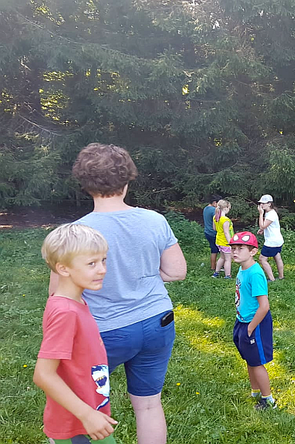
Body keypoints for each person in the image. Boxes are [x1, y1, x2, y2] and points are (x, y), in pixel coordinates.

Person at [51, 142, 187, 444]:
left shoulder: (75, 234)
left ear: (85, 184)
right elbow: (177, 271)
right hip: (157, 322)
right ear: (127, 181)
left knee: (82, 405)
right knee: (149, 404)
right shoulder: (155, 220)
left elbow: (58, 296)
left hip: (103, 332)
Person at [35, 223, 118, 443]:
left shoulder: (74, 301)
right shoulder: (66, 312)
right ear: (63, 269)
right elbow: (43, 374)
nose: (102, 269)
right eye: (92, 263)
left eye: (103, 260)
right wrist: (87, 415)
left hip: (90, 415)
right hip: (76, 425)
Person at [228, 231, 276, 411]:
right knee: (249, 359)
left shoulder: (255, 273)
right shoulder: (242, 268)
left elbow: (264, 306)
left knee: (256, 362)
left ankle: (268, 400)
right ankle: (255, 392)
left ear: (253, 251)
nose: (235, 252)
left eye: (240, 248)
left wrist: (251, 328)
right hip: (243, 321)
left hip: (254, 323)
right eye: (233, 248)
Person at [257, 194, 285, 282]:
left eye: (263, 203)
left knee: (262, 259)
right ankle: (281, 276)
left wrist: (261, 214)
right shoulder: (271, 213)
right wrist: (262, 230)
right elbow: (268, 226)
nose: (261, 205)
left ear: (269, 204)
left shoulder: (270, 214)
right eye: (260, 203)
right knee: (277, 257)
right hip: (278, 240)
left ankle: (272, 279)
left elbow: (262, 225)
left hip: (271, 242)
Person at [212, 199, 233, 279]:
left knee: (222, 257)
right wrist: (230, 243)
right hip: (225, 242)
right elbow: (226, 233)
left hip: (218, 240)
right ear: (226, 208)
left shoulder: (215, 217)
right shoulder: (226, 220)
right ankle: (227, 275)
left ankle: (216, 273)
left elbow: (214, 228)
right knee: (228, 259)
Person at [203, 195, 221, 272]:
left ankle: (214, 266)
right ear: (214, 203)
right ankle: (215, 267)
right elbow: (218, 221)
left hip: (207, 232)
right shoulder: (214, 210)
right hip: (213, 233)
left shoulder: (206, 208)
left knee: (214, 250)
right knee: (217, 251)